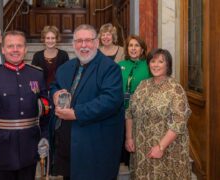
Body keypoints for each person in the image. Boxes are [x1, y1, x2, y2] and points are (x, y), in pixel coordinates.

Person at [50, 24, 125, 180]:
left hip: (95, 148)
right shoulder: (65, 67)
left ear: (96, 43)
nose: (83, 45)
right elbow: (54, 86)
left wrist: (76, 113)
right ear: (73, 44)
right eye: (79, 41)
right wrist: (55, 94)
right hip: (68, 145)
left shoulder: (110, 68)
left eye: (88, 40)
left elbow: (110, 100)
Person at [0, 31, 50, 180]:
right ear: (3, 49)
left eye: (19, 46)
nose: (15, 49)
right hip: (0, 150)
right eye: (10, 46)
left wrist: (45, 137)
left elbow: (45, 111)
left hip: (30, 147)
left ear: (25, 49)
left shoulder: (37, 74)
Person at [125, 48, 192, 179]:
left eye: (161, 62)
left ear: (168, 65)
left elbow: (179, 122)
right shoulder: (142, 85)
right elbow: (129, 112)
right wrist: (129, 137)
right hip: (141, 148)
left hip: (168, 150)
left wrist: (161, 147)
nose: (155, 65)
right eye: (153, 61)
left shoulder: (175, 89)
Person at [118, 35, 151, 166]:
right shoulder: (120, 65)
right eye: (131, 45)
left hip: (140, 111)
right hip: (121, 109)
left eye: (137, 45)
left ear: (142, 49)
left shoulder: (149, 66)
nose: (133, 48)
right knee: (123, 138)